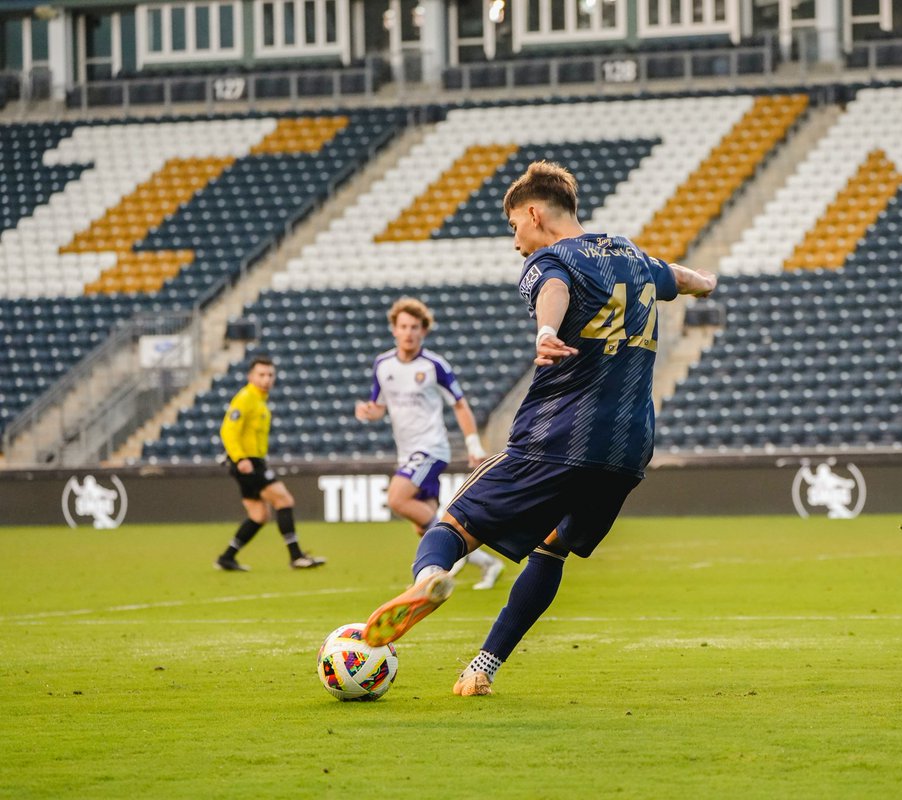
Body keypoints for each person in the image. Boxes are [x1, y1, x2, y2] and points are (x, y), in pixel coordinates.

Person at [358, 161, 717, 696]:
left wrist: (547, 328)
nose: (515, 242)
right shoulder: (631, 254)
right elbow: (685, 279)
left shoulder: (550, 258)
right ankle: (482, 670)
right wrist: (704, 284)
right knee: (551, 549)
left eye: (513, 228)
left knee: (453, 525)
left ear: (533, 213)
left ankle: (427, 579)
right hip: (627, 447)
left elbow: (553, 286)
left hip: (558, 435)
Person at [354, 296, 504, 590]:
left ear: (424, 330)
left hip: (431, 448)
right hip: (406, 452)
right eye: (403, 326)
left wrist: (473, 445)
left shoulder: (435, 365)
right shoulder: (383, 365)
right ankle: (487, 563)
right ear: (394, 330)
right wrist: (369, 412)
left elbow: (460, 405)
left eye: (415, 327)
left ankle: (451, 548)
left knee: (397, 498)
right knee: (421, 526)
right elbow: (379, 404)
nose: (409, 332)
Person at [214, 355, 325, 571]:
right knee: (284, 500)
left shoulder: (259, 400)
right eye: (261, 375)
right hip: (248, 462)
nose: (266, 379)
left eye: (270, 375)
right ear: (250, 376)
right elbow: (228, 430)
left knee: (259, 515)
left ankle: (227, 557)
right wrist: (240, 458)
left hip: (251, 461)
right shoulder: (245, 398)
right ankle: (296, 556)